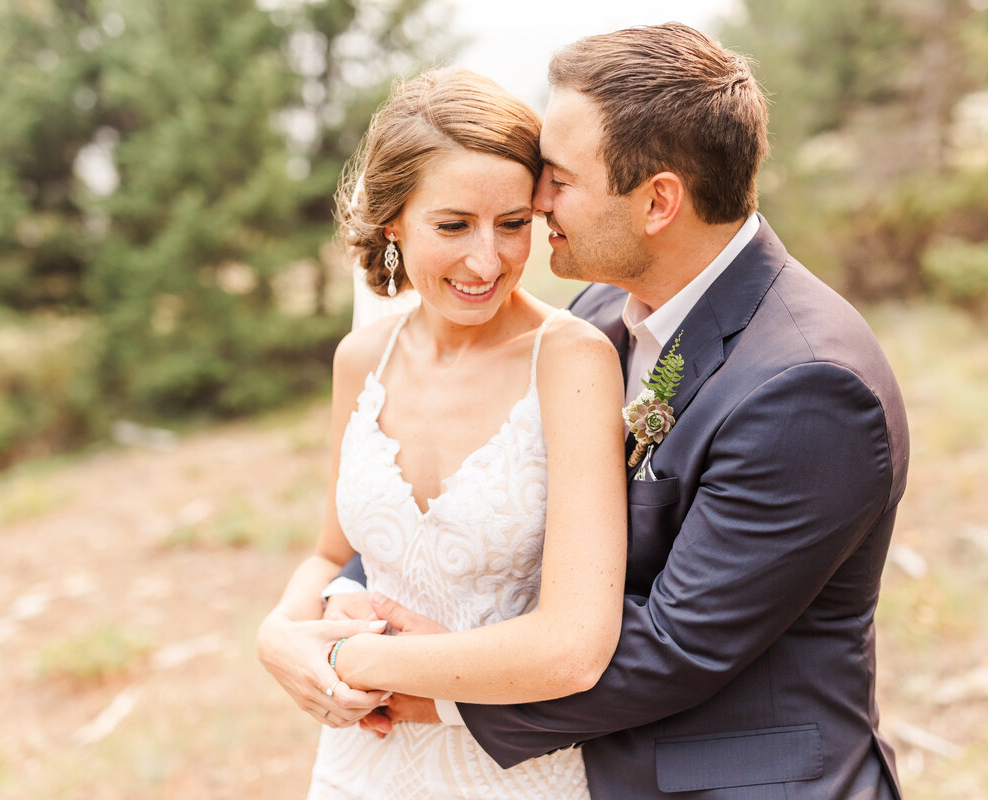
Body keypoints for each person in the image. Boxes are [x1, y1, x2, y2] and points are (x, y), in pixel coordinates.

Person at [332, 23, 912, 800]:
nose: (536, 203)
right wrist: (314, 620)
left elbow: (675, 647)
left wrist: (409, 682)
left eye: (559, 179)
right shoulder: (604, 310)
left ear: (657, 201)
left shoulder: (808, 385)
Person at [254, 68, 628, 799]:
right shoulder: (361, 359)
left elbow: (572, 650)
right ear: (393, 220)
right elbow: (334, 552)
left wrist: (357, 662)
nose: (487, 260)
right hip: (359, 769)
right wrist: (277, 635)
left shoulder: (573, 361)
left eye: (513, 224)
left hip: (515, 772)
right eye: (453, 226)